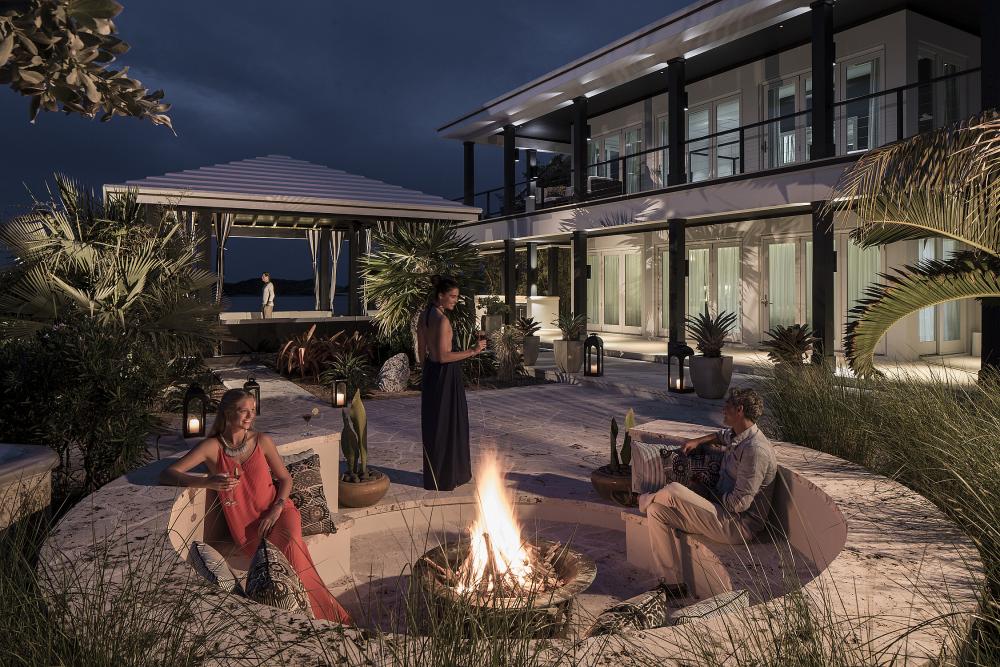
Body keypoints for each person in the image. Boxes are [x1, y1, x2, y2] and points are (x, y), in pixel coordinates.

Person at [159, 389, 351, 623]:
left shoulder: (262, 441)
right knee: (289, 557)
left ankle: (324, 616)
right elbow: (168, 474)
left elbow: (285, 479)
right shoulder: (212, 448)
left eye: (253, 410)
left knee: (291, 545)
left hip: (279, 512)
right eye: (244, 411)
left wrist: (277, 508)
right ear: (227, 413)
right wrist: (207, 482)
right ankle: (321, 614)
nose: (251, 416)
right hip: (248, 527)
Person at [639, 388, 777, 595]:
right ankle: (672, 585)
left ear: (739, 410)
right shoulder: (738, 435)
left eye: (728, 405)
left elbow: (739, 504)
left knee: (674, 491)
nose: (723, 409)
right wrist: (698, 441)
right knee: (656, 511)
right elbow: (721, 436)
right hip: (719, 513)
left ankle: (643, 500)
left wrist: (706, 493)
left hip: (737, 525)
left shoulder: (755, 451)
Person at [416, 275, 486, 491]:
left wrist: (426, 371)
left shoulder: (425, 315)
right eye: (452, 296)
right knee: (449, 425)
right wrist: (473, 351)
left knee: (435, 426)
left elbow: (421, 350)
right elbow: (444, 357)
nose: (455, 300)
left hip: (431, 374)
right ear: (441, 296)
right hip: (445, 377)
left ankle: (435, 477)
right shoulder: (443, 321)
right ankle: (448, 477)